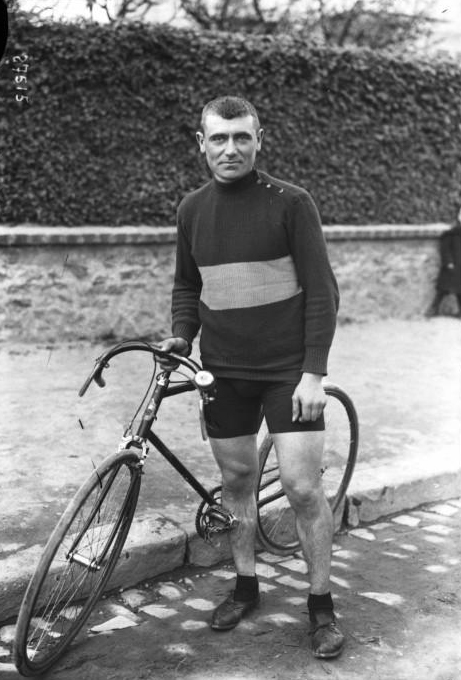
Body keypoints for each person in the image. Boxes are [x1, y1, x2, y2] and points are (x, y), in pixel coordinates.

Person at [159, 96, 344, 659]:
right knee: (236, 483)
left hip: (288, 373)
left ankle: (320, 605)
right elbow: (187, 287)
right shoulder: (191, 209)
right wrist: (181, 336)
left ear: (259, 138)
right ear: (201, 144)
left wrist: (314, 373)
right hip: (222, 373)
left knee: (303, 487)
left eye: (241, 137)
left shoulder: (292, 202)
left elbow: (322, 292)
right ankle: (245, 585)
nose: (230, 149)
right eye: (219, 139)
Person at [426, 206, 461, 318]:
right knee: (442, 289)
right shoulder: (450, 234)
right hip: (452, 266)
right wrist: (448, 262)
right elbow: (445, 250)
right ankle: (433, 309)